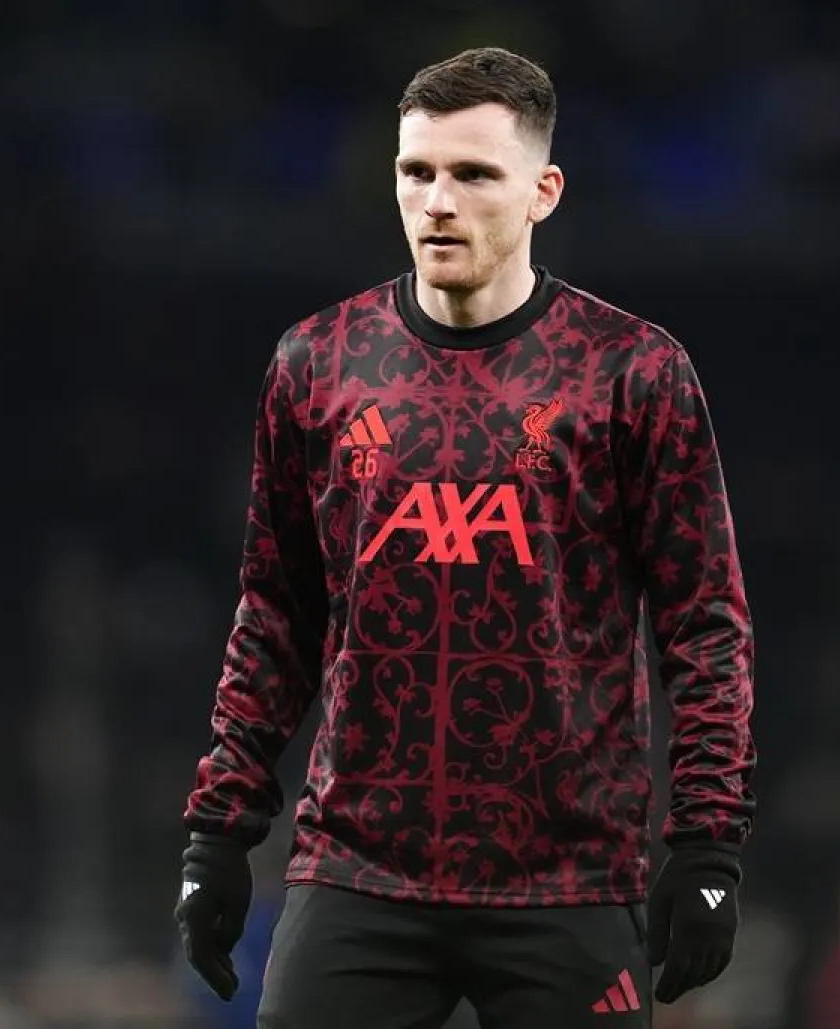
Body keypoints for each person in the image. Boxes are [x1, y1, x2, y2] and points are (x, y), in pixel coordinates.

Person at [174, 46, 757, 1029]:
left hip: (568, 877)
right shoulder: (316, 366)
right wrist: (217, 836)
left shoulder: (634, 374)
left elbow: (707, 629)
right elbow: (275, 619)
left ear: (543, 190)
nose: (438, 199)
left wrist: (706, 849)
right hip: (359, 868)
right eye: (418, 172)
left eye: (474, 173)